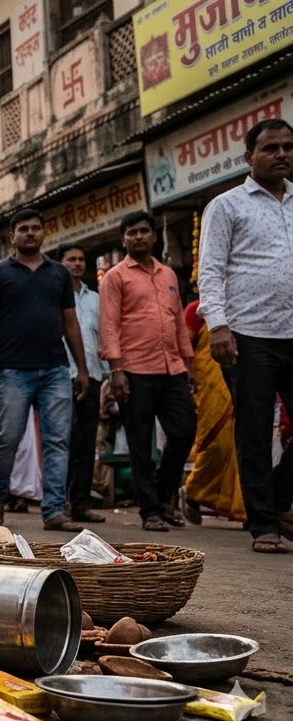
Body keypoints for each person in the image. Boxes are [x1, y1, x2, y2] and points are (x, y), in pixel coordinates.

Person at [196, 117, 293, 553]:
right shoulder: (227, 205)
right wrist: (217, 324)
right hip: (247, 333)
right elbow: (211, 270)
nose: (282, 155)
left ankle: (273, 497)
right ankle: (264, 524)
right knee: (254, 431)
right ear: (248, 157)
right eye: (271, 148)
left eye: (288, 147)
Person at [0, 209, 89, 531]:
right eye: (23, 229)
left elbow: (70, 322)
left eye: (36, 228)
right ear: (12, 237)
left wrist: (81, 368)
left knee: (57, 441)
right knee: (7, 438)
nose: (29, 233)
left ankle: (53, 511)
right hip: (14, 372)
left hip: (55, 369)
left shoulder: (59, 274)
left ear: (44, 233)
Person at [99, 213, 195, 532]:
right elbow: (109, 324)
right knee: (140, 443)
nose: (138, 237)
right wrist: (116, 369)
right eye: (131, 233)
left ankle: (163, 495)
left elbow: (178, 321)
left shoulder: (168, 273)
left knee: (183, 432)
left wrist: (188, 362)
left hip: (172, 368)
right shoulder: (115, 276)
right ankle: (150, 511)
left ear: (154, 236)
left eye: (144, 231)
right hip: (133, 370)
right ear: (123, 239)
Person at [183, 282, 244, 524]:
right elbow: (186, 349)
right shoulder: (196, 311)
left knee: (242, 444)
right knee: (214, 445)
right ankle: (193, 491)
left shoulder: (242, 309)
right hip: (207, 388)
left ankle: (246, 507)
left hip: (240, 383)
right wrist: (187, 378)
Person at [59, 244, 108, 523]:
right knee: (66, 439)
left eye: (81, 259)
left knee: (88, 441)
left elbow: (103, 336)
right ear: (61, 264)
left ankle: (80, 503)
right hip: (61, 376)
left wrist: (108, 375)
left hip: (92, 377)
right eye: (71, 259)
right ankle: (59, 500)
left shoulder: (95, 299)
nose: (77, 264)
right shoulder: (54, 295)